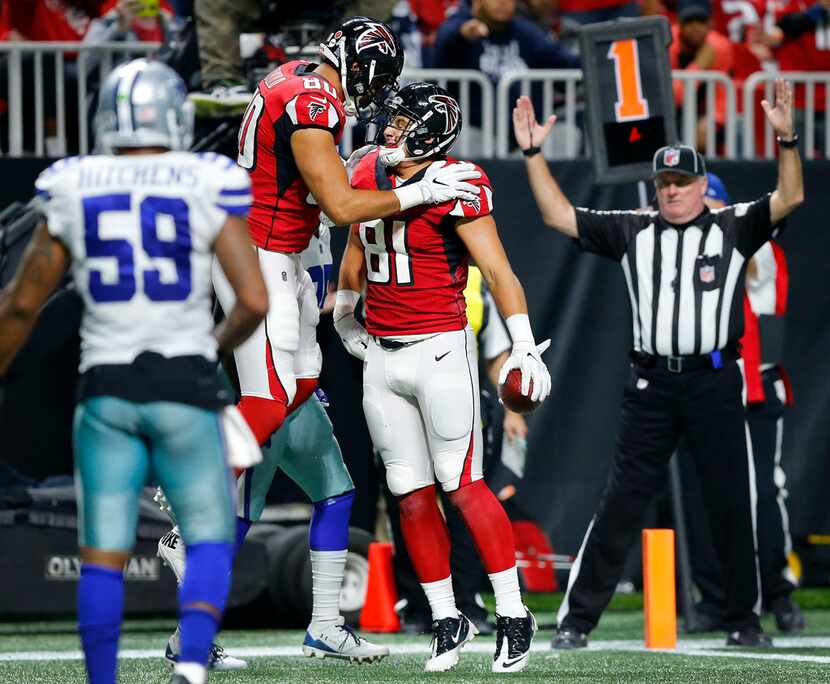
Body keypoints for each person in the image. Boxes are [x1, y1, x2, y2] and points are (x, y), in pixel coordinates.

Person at [170, 14, 480, 662]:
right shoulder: (313, 102)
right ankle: (186, 498)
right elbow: (339, 205)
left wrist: (385, 166)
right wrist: (420, 187)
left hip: (280, 255)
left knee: (305, 382)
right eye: (377, 78)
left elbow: (313, 179)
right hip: (262, 258)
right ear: (360, 65)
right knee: (271, 394)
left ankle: (318, 625)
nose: (375, 95)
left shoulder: (294, 78)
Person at [0, 59, 268, 684]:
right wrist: (209, 345)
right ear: (174, 115)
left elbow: (20, 302)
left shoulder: (74, 181)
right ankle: (193, 666)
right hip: (184, 382)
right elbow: (253, 301)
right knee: (206, 534)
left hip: (107, 385)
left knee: (102, 553)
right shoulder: (206, 178)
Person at [511, 79, 803, 649]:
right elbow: (557, 216)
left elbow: (789, 199)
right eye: (664, 182)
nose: (671, 191)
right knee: (620, 502)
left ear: (702, 187)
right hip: (650, 383)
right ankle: (576, 621)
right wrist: (531, 153)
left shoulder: (733, 225)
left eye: (681, 181)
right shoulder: (632, 229)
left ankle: (743, 620)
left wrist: (788, 140)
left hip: (715, 380)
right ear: (655, 187)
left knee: (730, 503)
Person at [335, 82, 551, 673]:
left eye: (403, 122)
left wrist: (523, 346)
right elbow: (355, 245)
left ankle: (511, 612)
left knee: (463, 484)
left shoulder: (459, 184)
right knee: (408, 495)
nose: (389, 130)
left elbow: (498, 270)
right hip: (381, 355)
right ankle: (445, 618)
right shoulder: (366, 172)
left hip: (439, 350)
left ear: (430, 130)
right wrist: (345, 310)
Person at [156, 226, 389, 665]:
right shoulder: (265, 232)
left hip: (294, 390)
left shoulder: (308, 226)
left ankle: (324, 626)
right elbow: (239, 323)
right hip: (263, 390)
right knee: (241, 513)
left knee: (336, 494)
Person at [679, 172, 805, 634]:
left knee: (763, 495)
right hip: (702, 389)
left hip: (752, 390)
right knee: (705, 498)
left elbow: (749, 256)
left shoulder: (755, 248)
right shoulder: (679, 252)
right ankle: (716, 597)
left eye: (709, 204)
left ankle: (777, 592)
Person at [388, 264, 529, 636]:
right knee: (408, 497)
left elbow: (497, 350)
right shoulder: (387, 261)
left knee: (464, 495)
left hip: (457, 394)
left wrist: (512, 405)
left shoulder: (475, 276)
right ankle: (421, 605)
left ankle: (473, 601)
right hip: (404, 394)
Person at [669, 3, 735, 151]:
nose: (695, 27)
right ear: (679, 24)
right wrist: (699, 65)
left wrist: (713, 120)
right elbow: (672, 99)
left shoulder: (720, 47)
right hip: (674, 115)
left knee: (735, 128)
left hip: (704, 113)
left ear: (710, 24)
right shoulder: (668, 43)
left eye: (701, 21)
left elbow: (722, 94)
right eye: (689, 21)